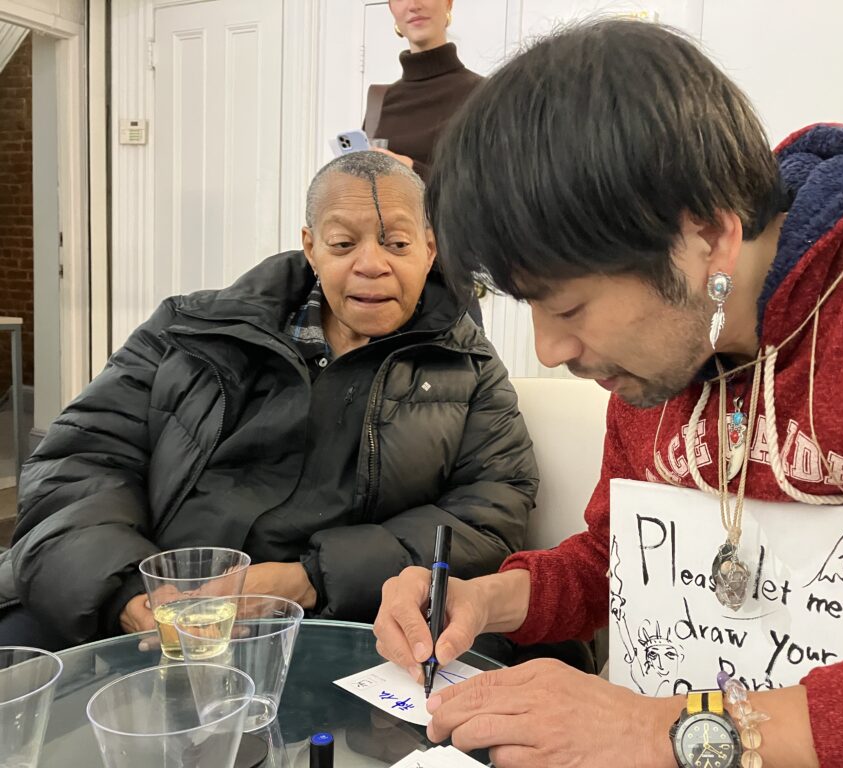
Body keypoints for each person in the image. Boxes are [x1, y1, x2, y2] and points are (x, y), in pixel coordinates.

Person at [372, 20, 843, 768]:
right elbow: (618, 562)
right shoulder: (662, 359)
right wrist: (484, 600)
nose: (550, 351)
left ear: (708, 238)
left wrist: (656, 731)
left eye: (570, 306)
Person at [0, 151, 537, 651]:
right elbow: (78, 462)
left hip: (338, 625)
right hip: (146, 599)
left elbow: (490, 513)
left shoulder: (467, 367)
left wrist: (310, 579)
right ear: (311, 247)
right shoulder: (188, 331)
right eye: (342, 244)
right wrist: (131, 594)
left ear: (430, 248)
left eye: (396, 244)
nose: (371, 264)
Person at [366, 0, 482, 181]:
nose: (413, 5)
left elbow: (496, 189)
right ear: (391, 8)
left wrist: (412, 171)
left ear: (448, 3)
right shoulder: (380, 102)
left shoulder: (485, 96)